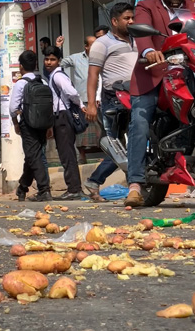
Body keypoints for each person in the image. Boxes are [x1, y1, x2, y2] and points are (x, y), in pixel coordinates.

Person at [125, 0, 195, 207]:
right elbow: (142, 34)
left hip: (190, 71)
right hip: (155, 70)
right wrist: (148, 51)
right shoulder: (146, 5)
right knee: (140, 120)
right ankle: (135, 183)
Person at [84, 2, 137, 201]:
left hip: (136, 98)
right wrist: (91, 103)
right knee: (116, 147)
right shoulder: (102, 43)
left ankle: (95, 182)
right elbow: (93, 75)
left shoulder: (138, 40)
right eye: (126, 18)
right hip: (113, 101)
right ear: (114, 21)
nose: (131, 21)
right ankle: (130, 184)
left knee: (134, 145)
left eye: (132, 18)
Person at [44, 45, 87, 200]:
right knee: (65, 154)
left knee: (67, 154)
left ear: (59, 61)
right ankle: (73, 188)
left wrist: (79, 104)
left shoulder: (58, 76)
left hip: (63, 117)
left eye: (53, 59)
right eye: (47, 59)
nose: (49, 62)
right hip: (60, 117)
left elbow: (72, 93)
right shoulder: (53, 76)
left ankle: (74, 189)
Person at [10, 50, 52, 202]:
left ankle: (44, 189)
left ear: (21, 66)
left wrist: (16, 123)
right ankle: (22, 188)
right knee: (33, 156)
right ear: (35, 65)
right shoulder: (43, 82)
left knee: (33, 156)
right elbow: (50, 106)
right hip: (42, 124)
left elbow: (13, 108)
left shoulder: (21, 83)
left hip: (28, 124)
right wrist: (49, 126)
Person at [56, 35, 102, 164]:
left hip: (98, 100)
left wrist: (99, 96)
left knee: (100, 129)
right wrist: (59, 48)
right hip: (81, 100)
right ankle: (82, 156)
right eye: (92, 45)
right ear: (86, 46)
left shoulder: (101, 58)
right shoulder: (76, 58)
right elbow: (60, 64)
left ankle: (104, 155)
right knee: (81, 128)